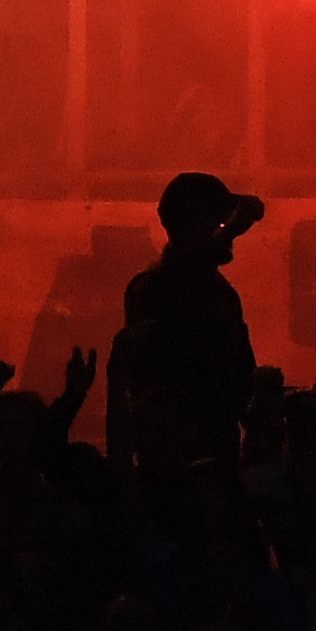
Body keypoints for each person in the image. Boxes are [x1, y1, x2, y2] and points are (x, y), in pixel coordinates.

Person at [112, 171, 263, 467]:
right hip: (174, 455)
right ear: (196, 224)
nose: (227, 232)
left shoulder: (213, 290)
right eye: (219, 222)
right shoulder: (158, 288)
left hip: (209, 450)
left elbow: (239, 374)